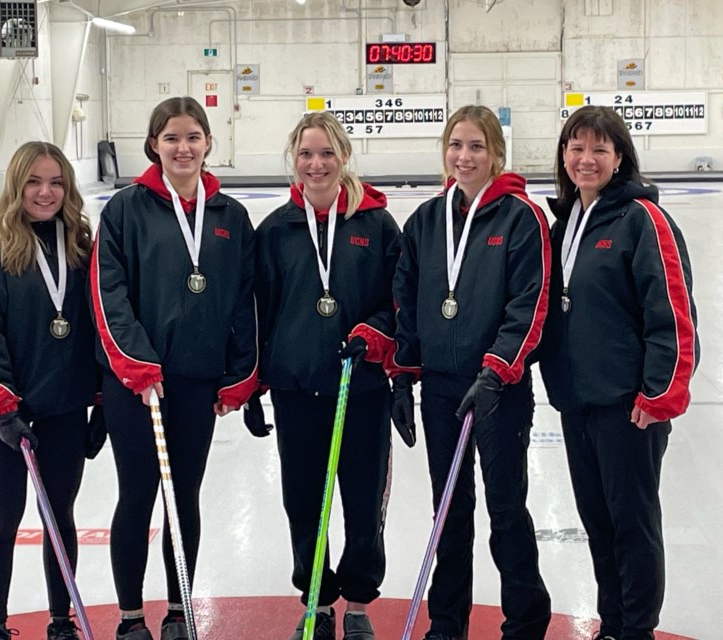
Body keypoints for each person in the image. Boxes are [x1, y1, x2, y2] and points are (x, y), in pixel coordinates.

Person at [91, 96, 259, 640]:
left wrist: (239, 373)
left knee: (183, 495)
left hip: (195, 380)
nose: (182, 147)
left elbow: (243, 298)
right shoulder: (124, 210)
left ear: (209, 142)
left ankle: (178, 610)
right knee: (137, 493)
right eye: (171, 138)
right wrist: (137, 363)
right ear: (153, 145)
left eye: (192, 136)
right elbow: (108, 292)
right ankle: (131, 615)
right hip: (135, 383)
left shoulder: (231, 216)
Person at [390, 105, 552, 640]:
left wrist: (497, 371)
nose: (465, 156)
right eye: (456, 145)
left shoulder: (520, 217)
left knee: (506, 511)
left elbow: (530, 303)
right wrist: (403, 374)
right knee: (449, 514)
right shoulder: (425, 221)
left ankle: (525, 622)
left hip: (497, 388)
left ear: (496, 154)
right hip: (440, 388)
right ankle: (447, 622)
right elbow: (405, 300)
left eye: (476, 146)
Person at [538, 106, 699, 640]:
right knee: (599, 524)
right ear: (563, 155)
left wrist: (660, 394)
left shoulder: (642, 220)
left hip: (629, 406)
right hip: (576, 400)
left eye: (598, 149)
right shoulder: (565, 224)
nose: (586, 159)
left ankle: (638, 630)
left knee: (632, 525)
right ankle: (613, 623)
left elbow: (672, 314)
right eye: (576, 147)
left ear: (620, 156)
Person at [246, 111, 401, 640]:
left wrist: (374, 334)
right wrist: (254, 383)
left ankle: (357, 605)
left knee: (362, 501)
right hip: (297, 391)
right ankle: (316, 601)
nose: (316, 164)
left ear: (344, 157)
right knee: (305, 504)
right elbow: (259, 312)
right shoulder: (274, 231)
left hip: (360, 391)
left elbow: (396, 302)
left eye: (327, 153)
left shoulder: (375, 225)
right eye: (307, 154)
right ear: (294, 159)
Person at [0, 141, 105, 640]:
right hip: (5, 417)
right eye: (35, 182)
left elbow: (98, 331)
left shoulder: (83, 252)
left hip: (63, 411)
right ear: (17, 187)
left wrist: (100, 402)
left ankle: (60, 620)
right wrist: (2, 409)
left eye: (57, 182)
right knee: (2, 519)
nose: (46, 192)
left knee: (60, 517)